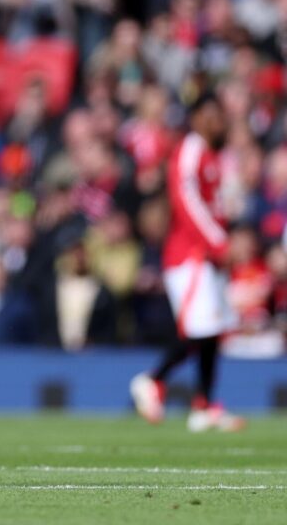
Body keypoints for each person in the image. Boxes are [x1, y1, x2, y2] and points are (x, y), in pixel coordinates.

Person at [130, 92, 245, 432]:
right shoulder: (192, 148)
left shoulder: (211, 154)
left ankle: (204, 404)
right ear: (196, 118)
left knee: (212, 331)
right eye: (210, 114)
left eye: (219, 115)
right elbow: (187, 200)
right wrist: (219, 242)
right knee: (199, 330)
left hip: (206, 257)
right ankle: (154, 380)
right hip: (190, 255)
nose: (216, 122)